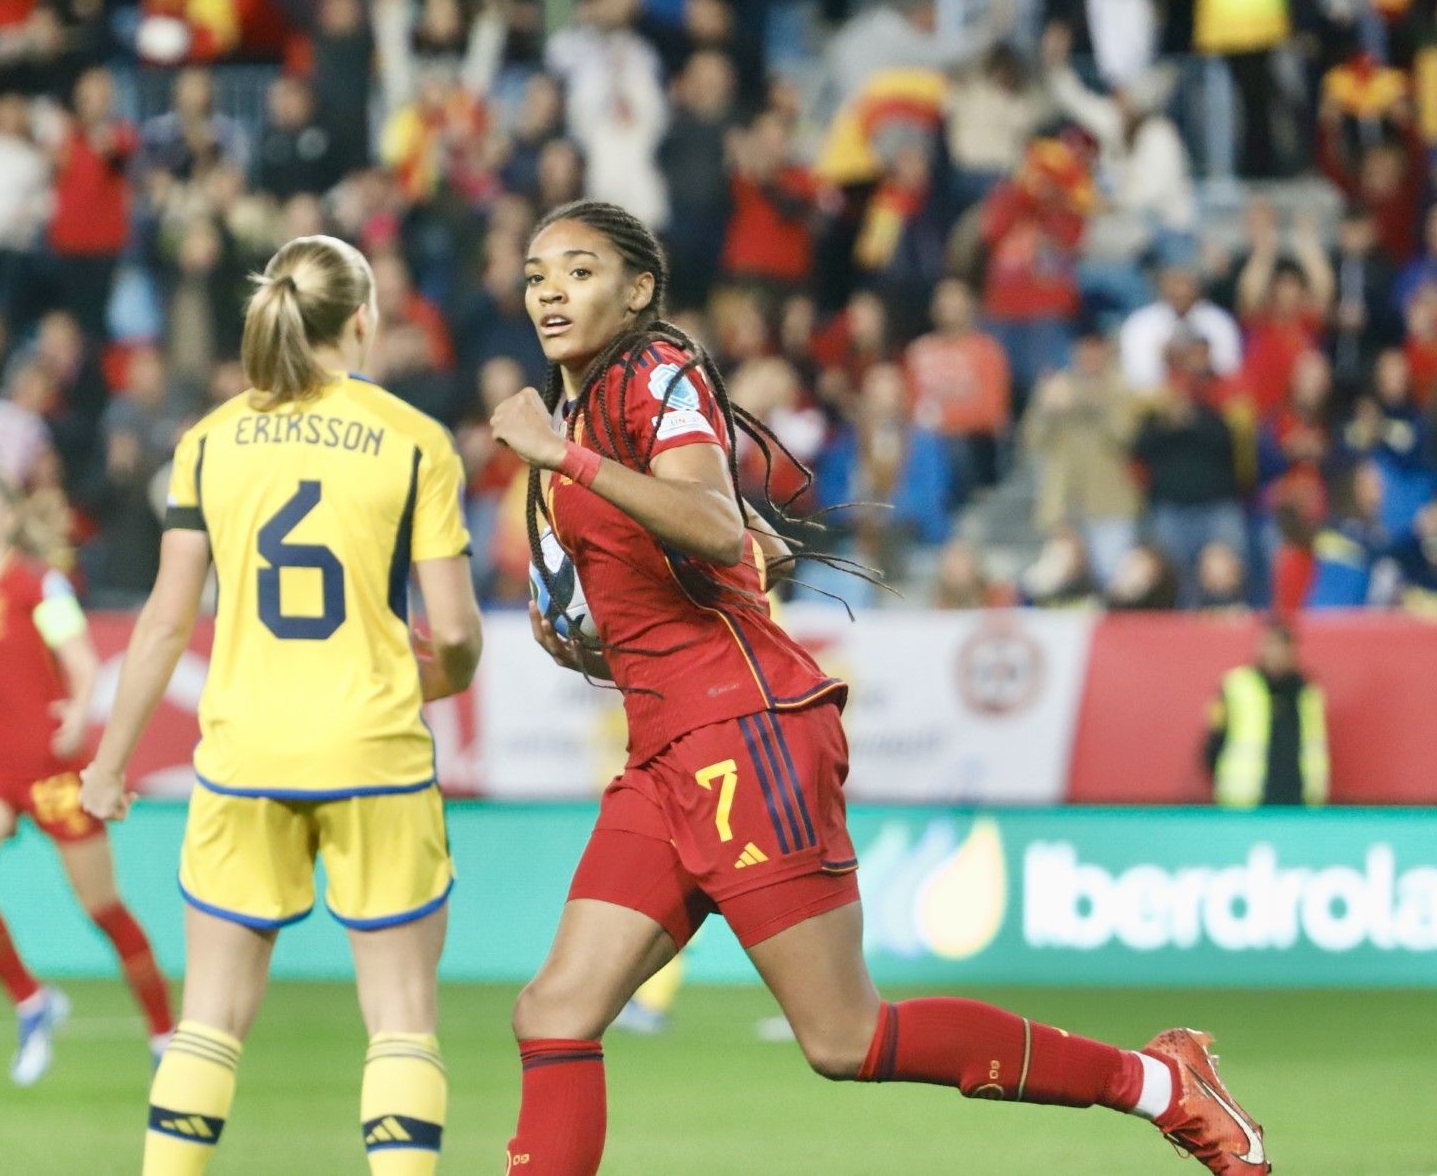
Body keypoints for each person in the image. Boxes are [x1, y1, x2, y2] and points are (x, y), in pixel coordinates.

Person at [485, 199, 1269, 1176]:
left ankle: (1160, 1083)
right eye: (534, 274)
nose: (549, 290)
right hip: (665, 749)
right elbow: (723, 551)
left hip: (741, 735)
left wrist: (568, 461)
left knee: (842, 1036)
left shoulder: (652, 373)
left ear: (637, 289)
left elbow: (713, 521)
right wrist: (602, 632)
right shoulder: (577, 411)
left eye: (578, 270)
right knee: (552, 1008)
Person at [76, 235, 482, 1176]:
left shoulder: (209, 442)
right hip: (375, 752)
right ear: (364, 322)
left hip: (245, 753)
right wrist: (437, 680)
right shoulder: (415, 441)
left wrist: (109, 764)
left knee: (208, 1022)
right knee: (401, 1023)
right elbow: (454, 632)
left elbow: (165, 625)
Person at [0, 465, 174, 1087]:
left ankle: (163, 1032)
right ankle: (31, 1000)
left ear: (9, 517)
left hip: (50, 769)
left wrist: (78, 705)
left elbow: (78, 657)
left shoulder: (38, 586)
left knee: (102, 909)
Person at [1204, 619, 1328, 809]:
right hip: (1245, 803)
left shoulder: (1308, 692)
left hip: (1300, 802)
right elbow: (1212, 745)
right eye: (1270, 645)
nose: (1276, 653)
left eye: (1282, 646)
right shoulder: (1236, 686)